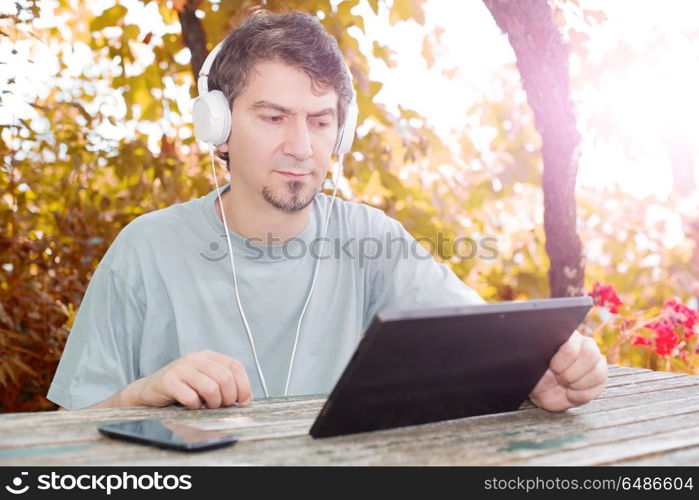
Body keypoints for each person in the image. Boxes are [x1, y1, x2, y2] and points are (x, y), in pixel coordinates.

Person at [47, 9, 606, 413]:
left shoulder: (373, 239)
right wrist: (137, 396)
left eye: (320, 121)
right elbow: (68, 435)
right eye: (273, 117)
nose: (302, 146)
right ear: (216, 127)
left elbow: (486, 345)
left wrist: (539, 374)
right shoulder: (145, 250)